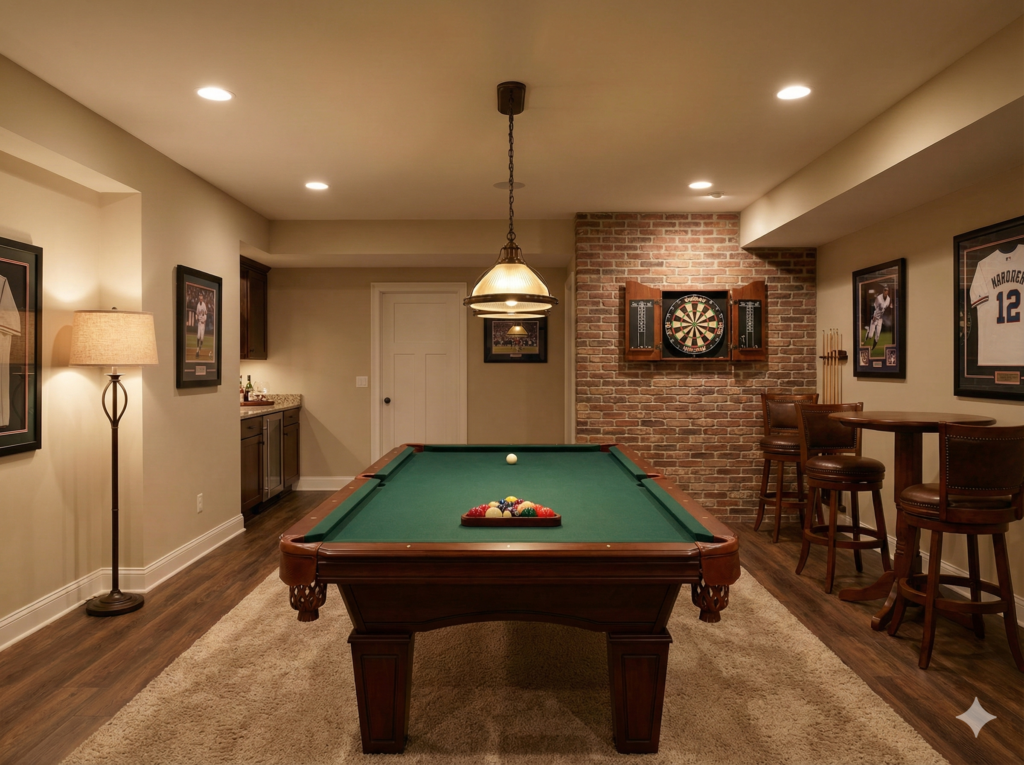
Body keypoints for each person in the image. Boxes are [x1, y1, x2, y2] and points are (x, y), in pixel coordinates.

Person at [867, 286, 890, 350]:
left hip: (880, 319)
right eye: (885, 290)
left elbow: (886, 309)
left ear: (888, 291)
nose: (886, 292)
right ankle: (868, 330)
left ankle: (873, 348)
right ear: (883, 291)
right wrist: (873, 316)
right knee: (870, 336)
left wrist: (885, 319)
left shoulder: (888, 299)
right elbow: (874, 307)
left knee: (877, 335)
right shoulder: (878, 298)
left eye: (887, 290)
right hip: (875, 318)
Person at [195, 294, 208, 359]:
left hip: (203, 324)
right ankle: (197, 350)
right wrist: (196, 317)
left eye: (201, 299)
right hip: (199, 323)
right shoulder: (198, 305)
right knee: (198, 336)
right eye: (200, 299)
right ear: (199, 299)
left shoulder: (204, 305)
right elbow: (197, 313)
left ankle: (200, 348)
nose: (201, 300)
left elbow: (205, 312)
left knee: (202, 338)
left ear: (202, 299)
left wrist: (204, 315)